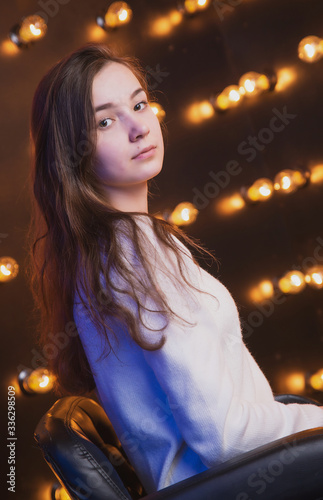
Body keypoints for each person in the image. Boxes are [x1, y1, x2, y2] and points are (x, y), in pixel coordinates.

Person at [26, 42, 323, 495]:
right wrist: (314, 421)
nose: (138, 127)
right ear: (73, 155)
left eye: (139, 103)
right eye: (105, 120)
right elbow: (227, 438)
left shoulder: (108, 249)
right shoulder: (134, 255)